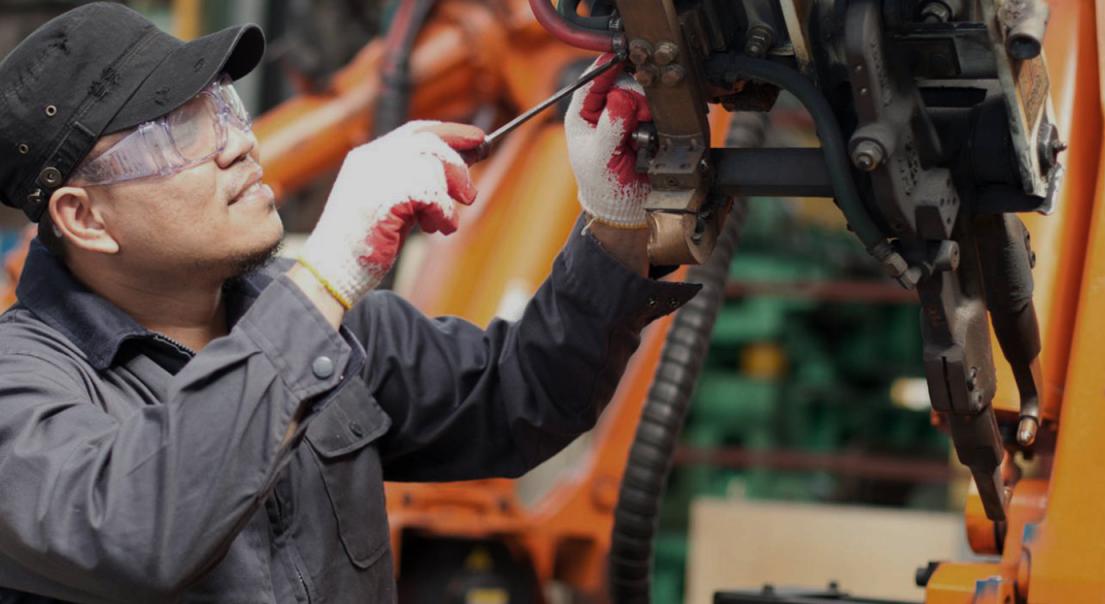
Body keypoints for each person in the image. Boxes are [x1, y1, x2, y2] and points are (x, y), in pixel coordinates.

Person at [0, 3, 695, 602]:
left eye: (223, 108)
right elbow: (135, 531)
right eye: (180, 132)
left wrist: (618, 220)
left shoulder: (338, 332)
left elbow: (528, 395)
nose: (240, 144)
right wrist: (326, 277)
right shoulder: (21, 390)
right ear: (84, 218)